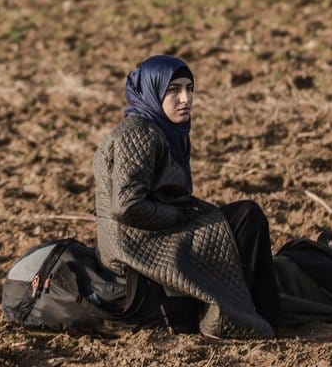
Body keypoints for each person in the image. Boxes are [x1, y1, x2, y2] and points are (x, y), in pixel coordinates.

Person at [92, 54, 282, 339]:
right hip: (133, 241)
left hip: (148, 231)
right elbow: (126, 206)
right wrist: (179, 216)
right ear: (152, 91)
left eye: (189, 88)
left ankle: (250, 309)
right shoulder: (139, 133)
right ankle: (263, 317)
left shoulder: (163, 129)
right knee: (246, 218)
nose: (186, 98)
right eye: (173, 90)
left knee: (235, 220)